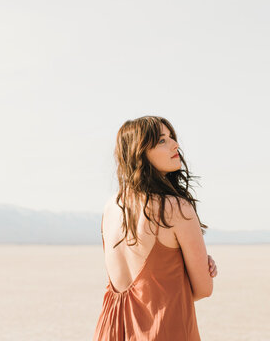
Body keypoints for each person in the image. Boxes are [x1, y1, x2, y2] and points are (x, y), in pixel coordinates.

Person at [93, 116, 218, 341]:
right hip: (163, 331)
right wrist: (193, 270)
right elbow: (204, 289)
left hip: (111, 331)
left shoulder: (111, 207)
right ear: (138, 152)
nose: (175, 144)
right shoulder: (175, 208)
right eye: (162, 141)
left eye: (172, 137)